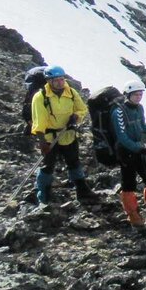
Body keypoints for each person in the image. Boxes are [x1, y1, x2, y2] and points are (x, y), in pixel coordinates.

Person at [29, 65, 96, 205]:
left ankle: (82, 189)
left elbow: (82, 109)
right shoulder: (40, 97)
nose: (60, 82)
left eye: (62, 79)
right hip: (49, 137)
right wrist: (42, 142)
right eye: (57, 80)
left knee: (74, 162)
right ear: (49, 81)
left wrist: (76, 117)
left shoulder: (70, 92)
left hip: (68, 134)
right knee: (48, 166)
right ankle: (44, 194)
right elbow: (39, 120)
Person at [111, 80, 146, 229]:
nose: (138, 97)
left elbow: (142, 127)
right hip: (125, 152)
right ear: (128, 94)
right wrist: (140, 148)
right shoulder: (118, 112)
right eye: (136, 94)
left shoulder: (139, 108)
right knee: (129, 184)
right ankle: (134, 217)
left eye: (140, 94)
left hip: (138, 151)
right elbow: (122, 137)